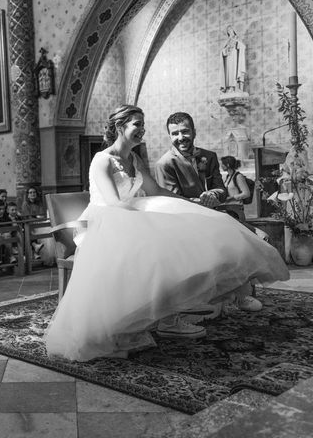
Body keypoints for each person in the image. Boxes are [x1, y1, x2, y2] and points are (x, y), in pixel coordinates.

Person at [44, 105, 289, 361]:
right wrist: (151, 219)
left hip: (131, 213)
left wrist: (188, 203)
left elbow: (156, 191)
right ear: (120, 127)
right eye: (136, 124)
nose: (142, 129)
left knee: (197, 226)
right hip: (108, 222)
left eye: (142, 123)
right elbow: (113, 202)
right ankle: (162, 318)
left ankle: (178, 313)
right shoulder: (102, 160)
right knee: (161, 247)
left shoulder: (134, 159)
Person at [156, 111, 264, 311]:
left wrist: (214, 194)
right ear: (169, 136)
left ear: (194, 131)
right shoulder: (165, 163)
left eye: (185, 131)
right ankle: (237, 294)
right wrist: (200, 201)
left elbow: (222, 190)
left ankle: (241, 292)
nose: (181, 137)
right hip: (183, 220)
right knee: (227, 237)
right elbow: (171, 201)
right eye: (175, 133)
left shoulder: (209, 156)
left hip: (213, 214)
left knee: (253, 236)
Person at [221, 26, 246, 93]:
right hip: (228, 58)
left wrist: (237, 44)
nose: (229, 31)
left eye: (230, 30)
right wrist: (225, 51)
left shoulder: (236, 39)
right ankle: (229, 87)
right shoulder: (227, 41)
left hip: (235, 57)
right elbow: (223, 51)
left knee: (234, 71)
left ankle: (235, 87)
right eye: (228, 30)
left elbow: (242, 46)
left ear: (233, 30)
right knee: (229, 72)